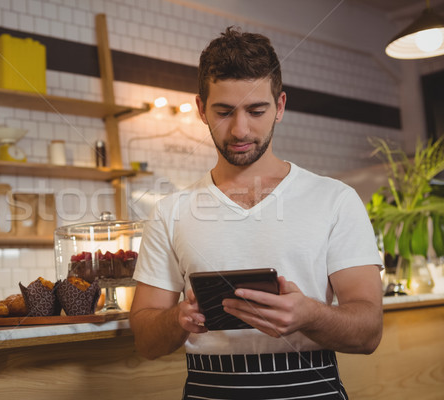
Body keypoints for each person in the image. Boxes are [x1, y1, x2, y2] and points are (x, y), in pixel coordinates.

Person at [129, 27, 383, 400]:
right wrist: (178, 318)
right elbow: (146, 340)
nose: (240, 129)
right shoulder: (170, 212)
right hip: (208, 389)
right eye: (224, 111)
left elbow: (369, 331)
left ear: (279, 107)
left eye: (256, 110)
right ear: (201, 109)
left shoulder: (336, 200)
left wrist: (309, 315)